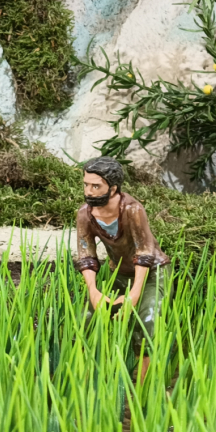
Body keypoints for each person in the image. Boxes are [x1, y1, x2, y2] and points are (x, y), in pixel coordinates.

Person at [73, 156, 170, 383]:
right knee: (85, 318)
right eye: (86, 184)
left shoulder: (132, 210)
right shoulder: (84, 214)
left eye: (96, 186)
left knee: (147, 319)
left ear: (113, 188)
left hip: (152, 272)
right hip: (120, 273)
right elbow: (86, 254)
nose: (89, 191)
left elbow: (144, 252)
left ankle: (145, 386)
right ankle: (85, 381)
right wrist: (93, 291)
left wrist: (134, 294)